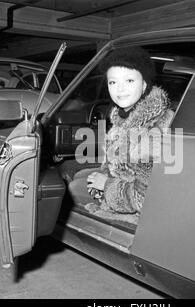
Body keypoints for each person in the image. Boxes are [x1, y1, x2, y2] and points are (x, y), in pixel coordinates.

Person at [68, 46, 174, 223]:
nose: (120, 89)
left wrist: (106, 185)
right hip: (122, 187)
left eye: (130, 81)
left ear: (144, 85)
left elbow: (146, 197)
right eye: (113, 82)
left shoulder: (155, 126)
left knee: (72, 188)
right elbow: (113, 165)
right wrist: (102, 178)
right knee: (80, 176)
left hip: (140, 215)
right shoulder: (123, 120)